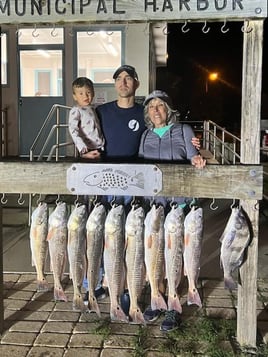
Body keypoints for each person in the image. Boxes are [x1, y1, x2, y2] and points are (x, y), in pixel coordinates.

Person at [138, 90, 206, 332]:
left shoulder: (184, 131)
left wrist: (198, 158)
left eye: (160, 106)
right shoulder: (145, 135)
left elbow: (194, 158)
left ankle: (174, 307)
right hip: (156, 207)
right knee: (156, 258)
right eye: (151, 107)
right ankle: (157, 300)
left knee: (175, 256)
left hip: (179, 206)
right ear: (147, 113)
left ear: (169, 109)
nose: (156, 110)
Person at [68, 77, 105, 160]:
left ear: (93, 93)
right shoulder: (76, 110)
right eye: (81, 93)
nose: (85, 96)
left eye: (88, 92)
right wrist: (82, 148)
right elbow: (73, 130)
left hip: (100, 146)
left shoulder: (93, 108)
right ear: (75, 96)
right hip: (87, 149)